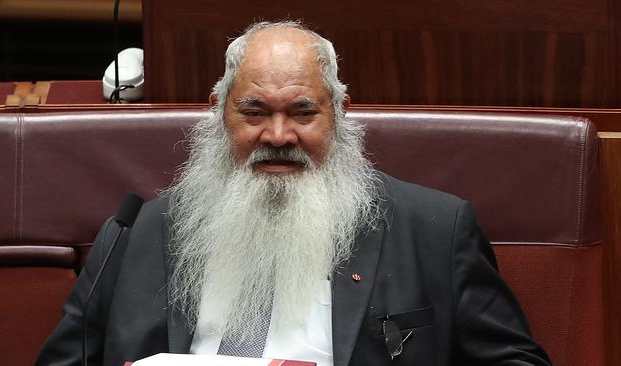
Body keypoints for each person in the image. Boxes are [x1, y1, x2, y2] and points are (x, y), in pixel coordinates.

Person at [36, 21, 551, 366]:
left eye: (303, 114)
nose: (278, 136)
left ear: (339, 112)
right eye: (254, 113)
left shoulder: (435, 228)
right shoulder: (135, 234)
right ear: (219, 110)